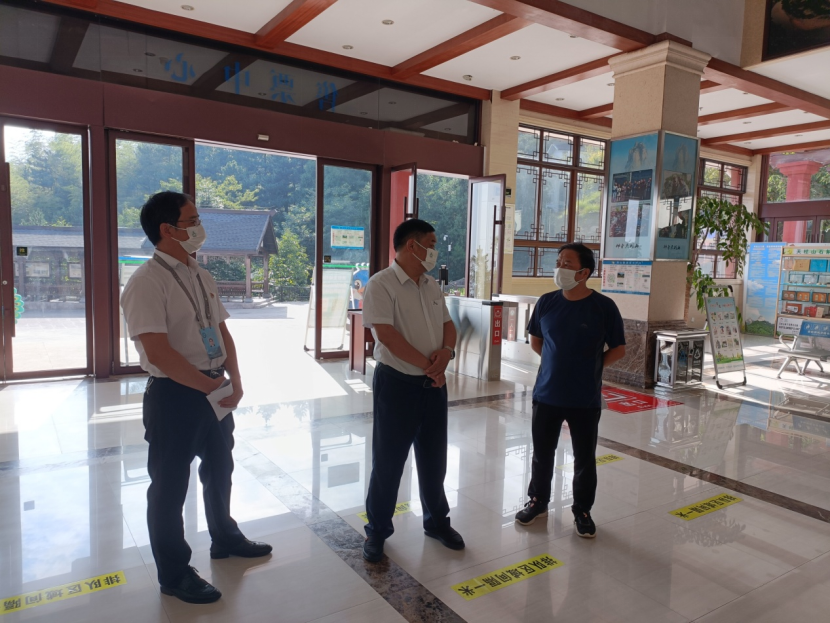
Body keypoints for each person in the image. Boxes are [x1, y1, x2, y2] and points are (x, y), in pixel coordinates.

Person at [121, 191, 271, 604]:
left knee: (220, 467)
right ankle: (174, 573)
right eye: (192, 221)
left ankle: (225, 536)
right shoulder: (146, 282)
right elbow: (158, 352)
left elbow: (221, 331)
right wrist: (209, 388)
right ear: (167, 230)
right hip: (175, 394)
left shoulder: (199, 274)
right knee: (169, 486)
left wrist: (234, 379)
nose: (200, 227)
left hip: (214, 386)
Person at [361, 219, 463, 563]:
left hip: (433, 385)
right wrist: (430, 366)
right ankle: (377, 530)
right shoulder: (381, 284)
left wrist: (446, 353)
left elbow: (448, 325)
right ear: (411, 246)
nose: (434, 250)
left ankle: (437, 522)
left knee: (434, 460)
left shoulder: (431, 285)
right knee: (388, 462)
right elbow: (386, 335)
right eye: (430, 244)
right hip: (398, 384)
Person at [514, 243, 626, 538]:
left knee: (584, 458)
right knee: (542, 453)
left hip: (584, 397)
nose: (559, 268)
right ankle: (537, 501)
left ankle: (582, 510)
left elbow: (619, 348)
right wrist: (556, 364)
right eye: (558, 262)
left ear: (584, 272)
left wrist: (592, 366)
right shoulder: (547, 302)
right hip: (546, 394)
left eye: (567, 264)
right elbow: (536, 340)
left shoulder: (604, 307)